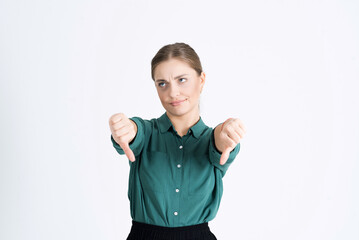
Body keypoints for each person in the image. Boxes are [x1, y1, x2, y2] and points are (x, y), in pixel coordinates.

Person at [109, 42, 246, 240]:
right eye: (162, 83)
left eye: (182, 80)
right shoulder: (146, 132)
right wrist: (124, 128)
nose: (172, 93)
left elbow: (220, 141)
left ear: (201, 80)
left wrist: (227, 133)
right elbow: (134, 131)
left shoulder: (212, 139)